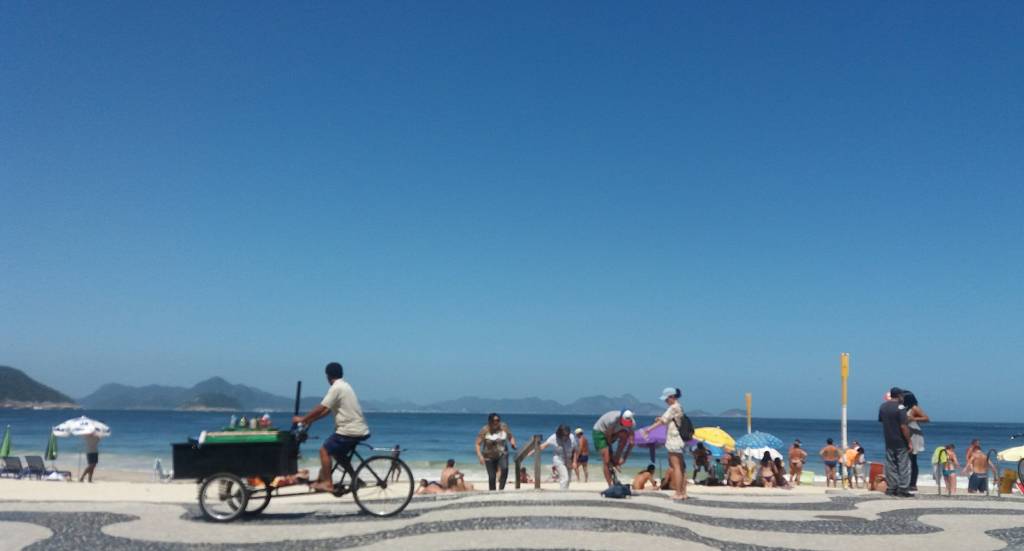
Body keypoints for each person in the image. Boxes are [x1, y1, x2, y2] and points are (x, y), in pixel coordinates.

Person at [292, 362, 370, 493]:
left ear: (327, 376)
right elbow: (326, 411)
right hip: (357, 429)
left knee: (324, 451)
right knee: (338, 454)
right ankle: (356, 478)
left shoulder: (336, 388)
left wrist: (302, 419)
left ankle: (327, 483)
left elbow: (321, 407)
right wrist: (309, 420)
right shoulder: (345, 386)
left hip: (349, 430)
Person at [640, 387, 686, 500]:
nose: (665, 401)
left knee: (676, 467)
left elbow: (662, 421)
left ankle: (679, 492)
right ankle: (683, 492)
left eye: (666, 399)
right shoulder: (679, 407)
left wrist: (648, 430)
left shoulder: (673, 407)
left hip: (673, 439)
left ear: (672, 397)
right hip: (679, 439)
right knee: (680, 467)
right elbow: (667, 420)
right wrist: (661, 419)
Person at [878, 387, 913, 497]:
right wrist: (909, 441)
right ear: (899, 396)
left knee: (890, 464)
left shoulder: (883, 406)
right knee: (903, 465)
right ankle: (903, 488)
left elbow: (881, 421)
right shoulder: (901, 407)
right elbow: (903, 426)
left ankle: (892, 487)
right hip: (900, 440)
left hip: (888, 439)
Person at [593, 409, 636, 487]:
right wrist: (611, 455)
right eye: (624, 423)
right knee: (606, 460)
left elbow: (631, 443)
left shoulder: (632, 423)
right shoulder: (613, 420)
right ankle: (610, 485)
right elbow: (608, 438)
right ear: (621, 418)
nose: (625, 425)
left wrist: (624, 458)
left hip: (613, 432)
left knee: (624, 434)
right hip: (600, 432)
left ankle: (616, 460)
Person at [475, 413, 517, 491]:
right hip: (489, 456)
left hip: (502, 453)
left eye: (498, 420)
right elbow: (477, 444)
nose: (496, 422)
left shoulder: (504, 427)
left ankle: (501, 489)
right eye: (494, 420)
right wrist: (480, 456)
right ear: (490, 421)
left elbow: (510, 436)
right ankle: (492, 492)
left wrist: (512, 443)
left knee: (504, 468)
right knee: (492, 477)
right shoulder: (485, 430)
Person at [901, 390, 929, 492]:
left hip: (915, 435)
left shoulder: (914, 408)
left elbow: (926, 418)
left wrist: (913, 418)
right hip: (907, 433)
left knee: (912, 459)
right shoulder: (903, 408)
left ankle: (912, 483)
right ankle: (906, 481)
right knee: (906, 459)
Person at [539, 424, 579, 490]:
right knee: (565, 478)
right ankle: (562, 495)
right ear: (560, 434)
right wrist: (531, 452)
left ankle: (565, 495)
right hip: (559, 459)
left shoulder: (571, 437)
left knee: (568, 480)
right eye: (564, 435)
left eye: (567, 435)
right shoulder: (554, 437)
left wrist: (574, 462)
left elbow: (575, 450)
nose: (566, 437)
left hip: (569, 460)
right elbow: (543, 446)